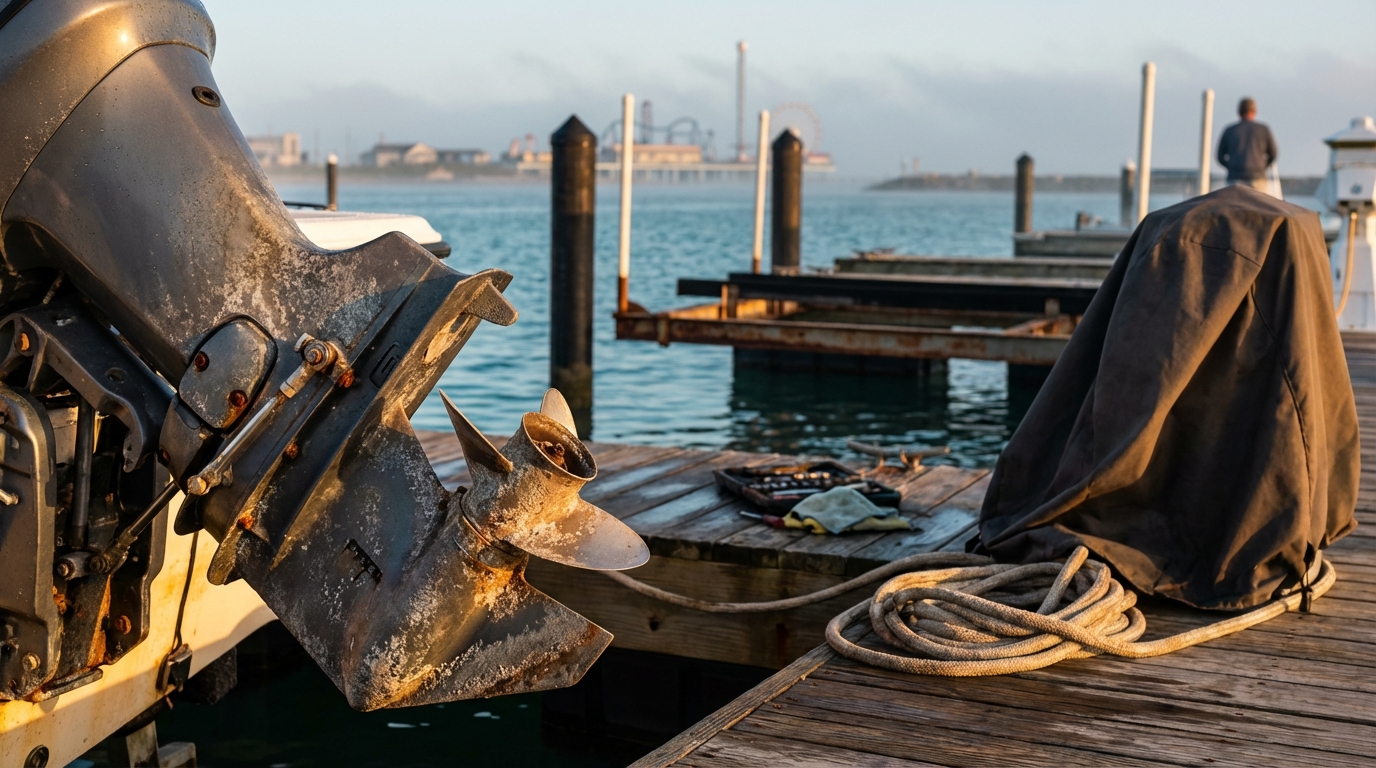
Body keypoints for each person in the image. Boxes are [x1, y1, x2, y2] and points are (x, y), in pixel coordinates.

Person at [1217, 97, 1278, 193]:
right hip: (1258, 178)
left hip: (1235, 178)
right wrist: (1262, 166)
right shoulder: (1263, 129)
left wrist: (1232, 166)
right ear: (1254, 112)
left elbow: (1220, 157)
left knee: (1235, 207)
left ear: (1239, 112)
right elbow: (1273, 154)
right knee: (1259, 207)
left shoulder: (1230, 130)